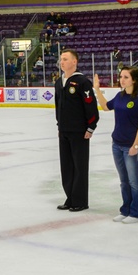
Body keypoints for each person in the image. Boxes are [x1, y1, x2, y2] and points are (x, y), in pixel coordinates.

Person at [94, 68, 138, 224]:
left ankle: (137, 213)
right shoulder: (120, 96)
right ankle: (126, 210)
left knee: (134, 181)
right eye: (120, 77)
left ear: (134, 80)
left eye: (125, 77)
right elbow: (105, 107)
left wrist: (135, 145)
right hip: (116, 144)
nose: (121, 79)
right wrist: (97, 89)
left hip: (131, 146)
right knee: (124, 180)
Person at [54, 49, 98, 212]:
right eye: (61, 59)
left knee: (80, 167)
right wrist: (59, 125)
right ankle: (70, 198)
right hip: (64, 131)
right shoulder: (59, 82)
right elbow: (57, 106)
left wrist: (90, 127)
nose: (62, 62)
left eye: (65, 59)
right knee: (66, 166)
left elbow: (91, 107)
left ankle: (80, 201)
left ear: (74, 62)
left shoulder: (82, 82)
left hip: (79, 132)